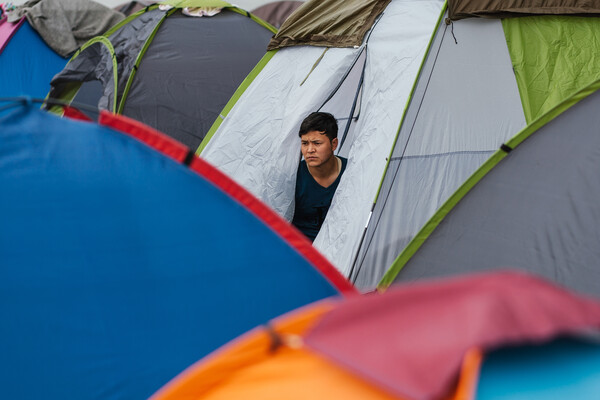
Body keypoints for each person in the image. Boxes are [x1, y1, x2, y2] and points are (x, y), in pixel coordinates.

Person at [292, 112, 347, 242]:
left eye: (317, 143)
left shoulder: (351, 171)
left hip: (340, 251)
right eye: (305, 143)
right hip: (299, 252)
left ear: (334, 144)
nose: (310, 150)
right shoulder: (293, 176)